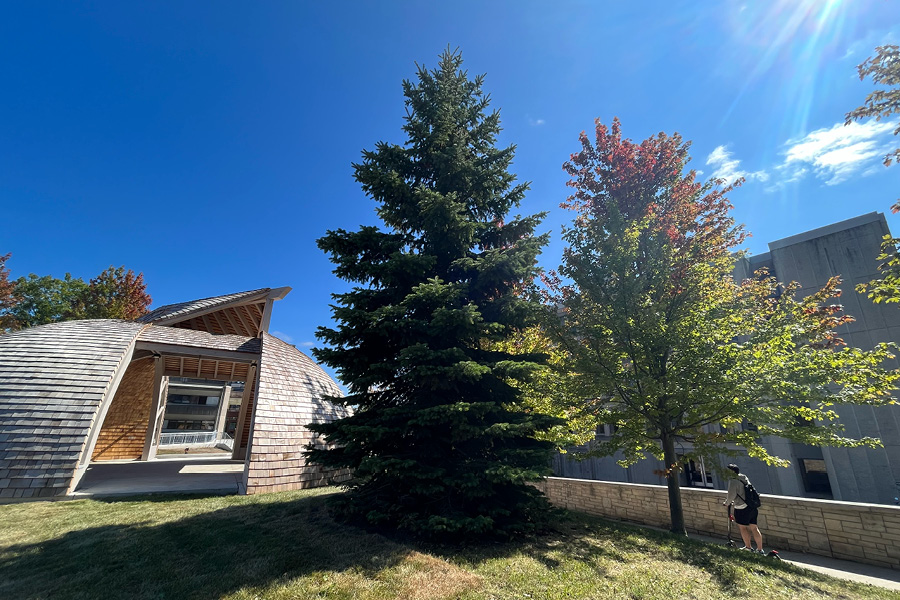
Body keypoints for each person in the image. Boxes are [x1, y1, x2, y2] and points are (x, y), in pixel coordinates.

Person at [723, 463, 764, 553]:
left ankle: (748, 548)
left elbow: (731, 496)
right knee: (754, 528)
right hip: (752, 506)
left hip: (741, 507)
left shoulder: (733, 481)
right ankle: (760, 549)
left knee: (743, 528)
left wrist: (726, 503)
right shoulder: (744, 478)